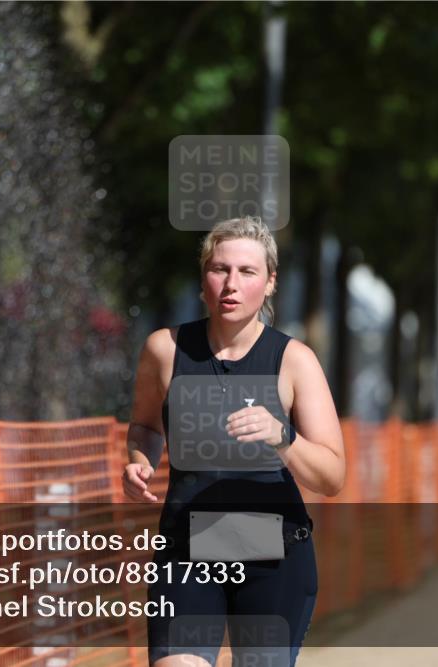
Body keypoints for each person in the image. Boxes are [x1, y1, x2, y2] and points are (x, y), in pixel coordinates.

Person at [122, 216, 345, 667]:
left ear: (269, 283)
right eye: (220, 269)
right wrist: (139, 460)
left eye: (247, 272)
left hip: (273, 551)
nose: (231, 284)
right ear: (203, 276)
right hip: (188, 545)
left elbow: (332, 476)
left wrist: (283, 438)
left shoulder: (295, 361)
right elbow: (146, 426)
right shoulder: (164, 350)